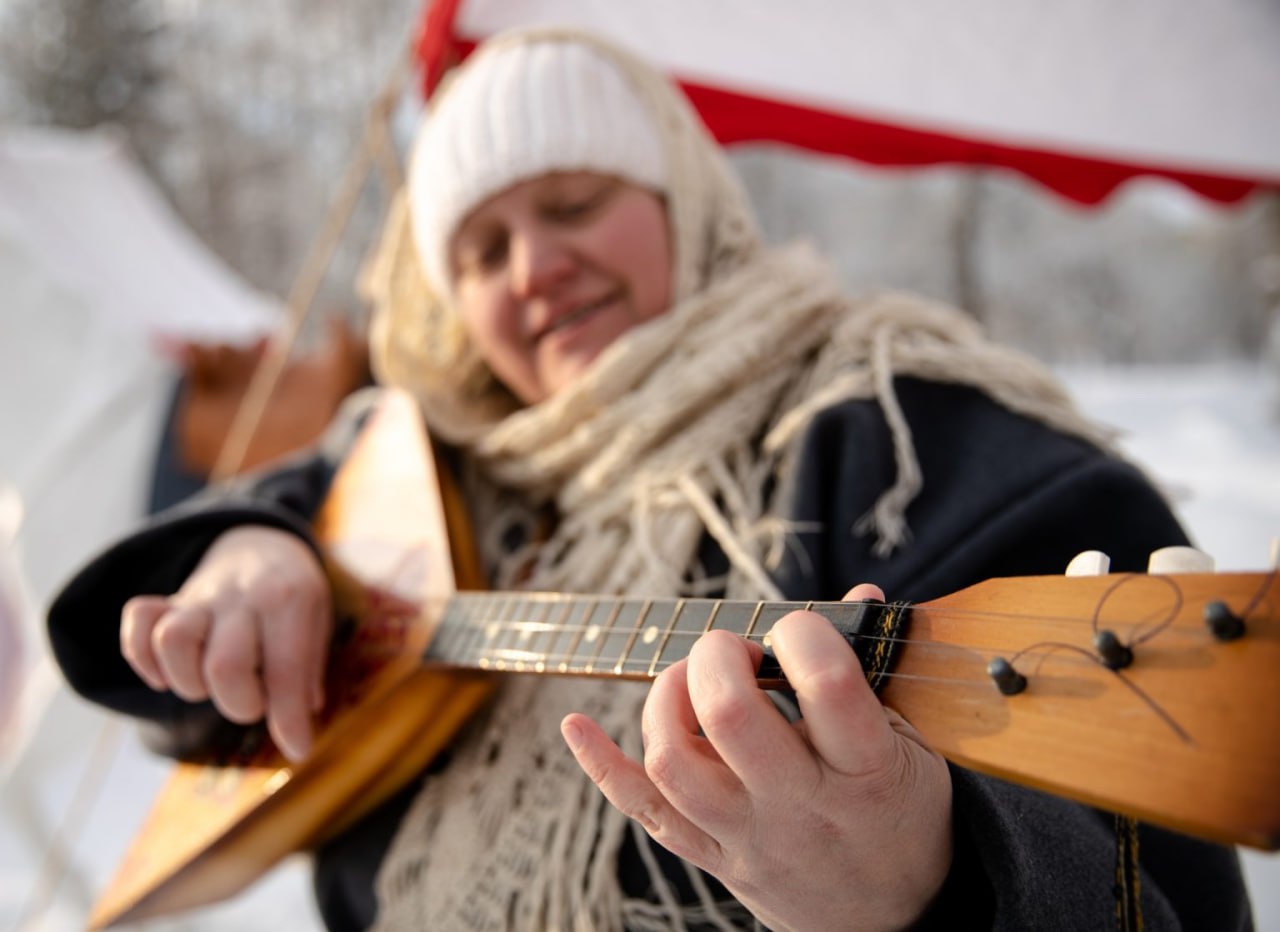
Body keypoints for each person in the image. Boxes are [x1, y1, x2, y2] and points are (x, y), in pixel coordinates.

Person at [47, 28, 1251, 932]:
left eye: (574, 203)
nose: (537, 267)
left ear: (683, 200)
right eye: (481, 250)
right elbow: (155, 671)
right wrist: (257, 543)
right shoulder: (437, 457)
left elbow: (1159, 884)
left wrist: (929, 885)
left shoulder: (891, 427)